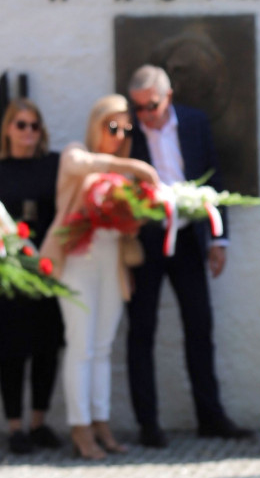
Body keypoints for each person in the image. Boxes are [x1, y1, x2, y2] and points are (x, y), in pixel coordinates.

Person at [127, 64, 252, 448]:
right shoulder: (129, 132)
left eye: (151, 106)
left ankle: (210, 417)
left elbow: (214, 180)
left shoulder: (194, 122)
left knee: (199, 327)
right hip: (146, 241)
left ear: (168, 96)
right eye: (138, 108)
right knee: (141, 331)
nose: (144, 115)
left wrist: (220, 240)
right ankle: (148, 424)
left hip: (189, 239)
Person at [37, 95, 160, 459]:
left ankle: (100, 422)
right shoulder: (79, 155)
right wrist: (133, 166)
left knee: (104, 347)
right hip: (77, 261)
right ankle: (80, 427)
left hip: (111, 262)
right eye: (113, 126)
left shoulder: (122, 172)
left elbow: (127, 225)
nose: (120, 134)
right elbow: (79, 165)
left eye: (125, 128)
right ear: (96, 125)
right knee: (81, 345)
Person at [0, 99, 64, 454]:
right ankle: (15, 427)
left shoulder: (53, 165)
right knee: (11, 351)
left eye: (34, 125)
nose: (27, 132)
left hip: (46, 265)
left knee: (47, 347)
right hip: (9, 271)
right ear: (8, 128)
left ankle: (39, 422)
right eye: (20, 125)